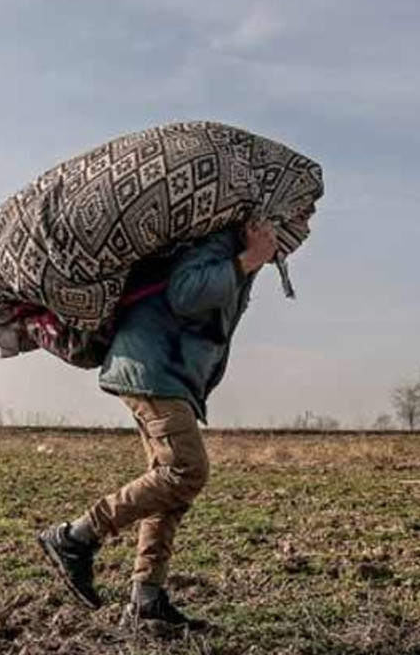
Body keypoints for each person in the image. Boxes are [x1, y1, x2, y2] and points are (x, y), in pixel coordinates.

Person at [37, 217, 289, 627]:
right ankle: (75, 537)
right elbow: (184, 293)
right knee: (185, 469)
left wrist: (250, 262)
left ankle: (145, 601)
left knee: (169, 488)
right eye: (298, 218)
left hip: (166, 371)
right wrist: (247, 260)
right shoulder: (217, 239)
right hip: (152, 367)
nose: (303, 227)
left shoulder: (233, 247)